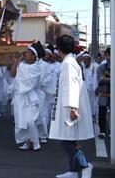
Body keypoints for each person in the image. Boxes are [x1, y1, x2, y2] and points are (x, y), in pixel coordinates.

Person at [49, 35, 94, 178]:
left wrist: (73, 108)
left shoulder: (68, 63)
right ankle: (73, 171)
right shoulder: (70, 61)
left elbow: (71, 86)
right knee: (69, 140)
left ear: (58, 49)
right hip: (69, 105)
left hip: (69, 107)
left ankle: (85, 165)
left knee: (66, 141)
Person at [9, 41, 45, 151]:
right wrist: (18, 61)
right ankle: (27, 141)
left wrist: (21, 85)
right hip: (20, 97)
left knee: (30, 120)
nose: (26, 54)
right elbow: (13, 74)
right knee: (21, 120)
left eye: (28, 53)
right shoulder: (22, 65)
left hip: (31, 97)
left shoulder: (37, 67)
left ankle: (35, 141)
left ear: (34, 56)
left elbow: (29, 83)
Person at [96, 48, 111, 139]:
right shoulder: (102, 67)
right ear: (105, 56)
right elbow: (100, 79)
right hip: (104, 94)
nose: (109, 57)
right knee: (102, 113)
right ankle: (102, 131)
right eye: (108, 55)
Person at [82, 52, 96, 122]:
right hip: (84, 90)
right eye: (84, 59)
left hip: (91, 91)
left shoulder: (93, 67)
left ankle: (91, 118)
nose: (86, 61)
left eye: (87, 59)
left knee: (91, 104)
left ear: (90, 60)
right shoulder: (81, 67)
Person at [91, 53, 102, 123]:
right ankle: (93, 116)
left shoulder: (102, 65)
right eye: (98, 58)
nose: (99, 59)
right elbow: (92, 75)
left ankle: (97, 117)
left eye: (100, 58)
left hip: (100, 86)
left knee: (98, 102)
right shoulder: (94, 65)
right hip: (94, 86)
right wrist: (94, 86)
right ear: (96, 59)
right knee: (94, 102)